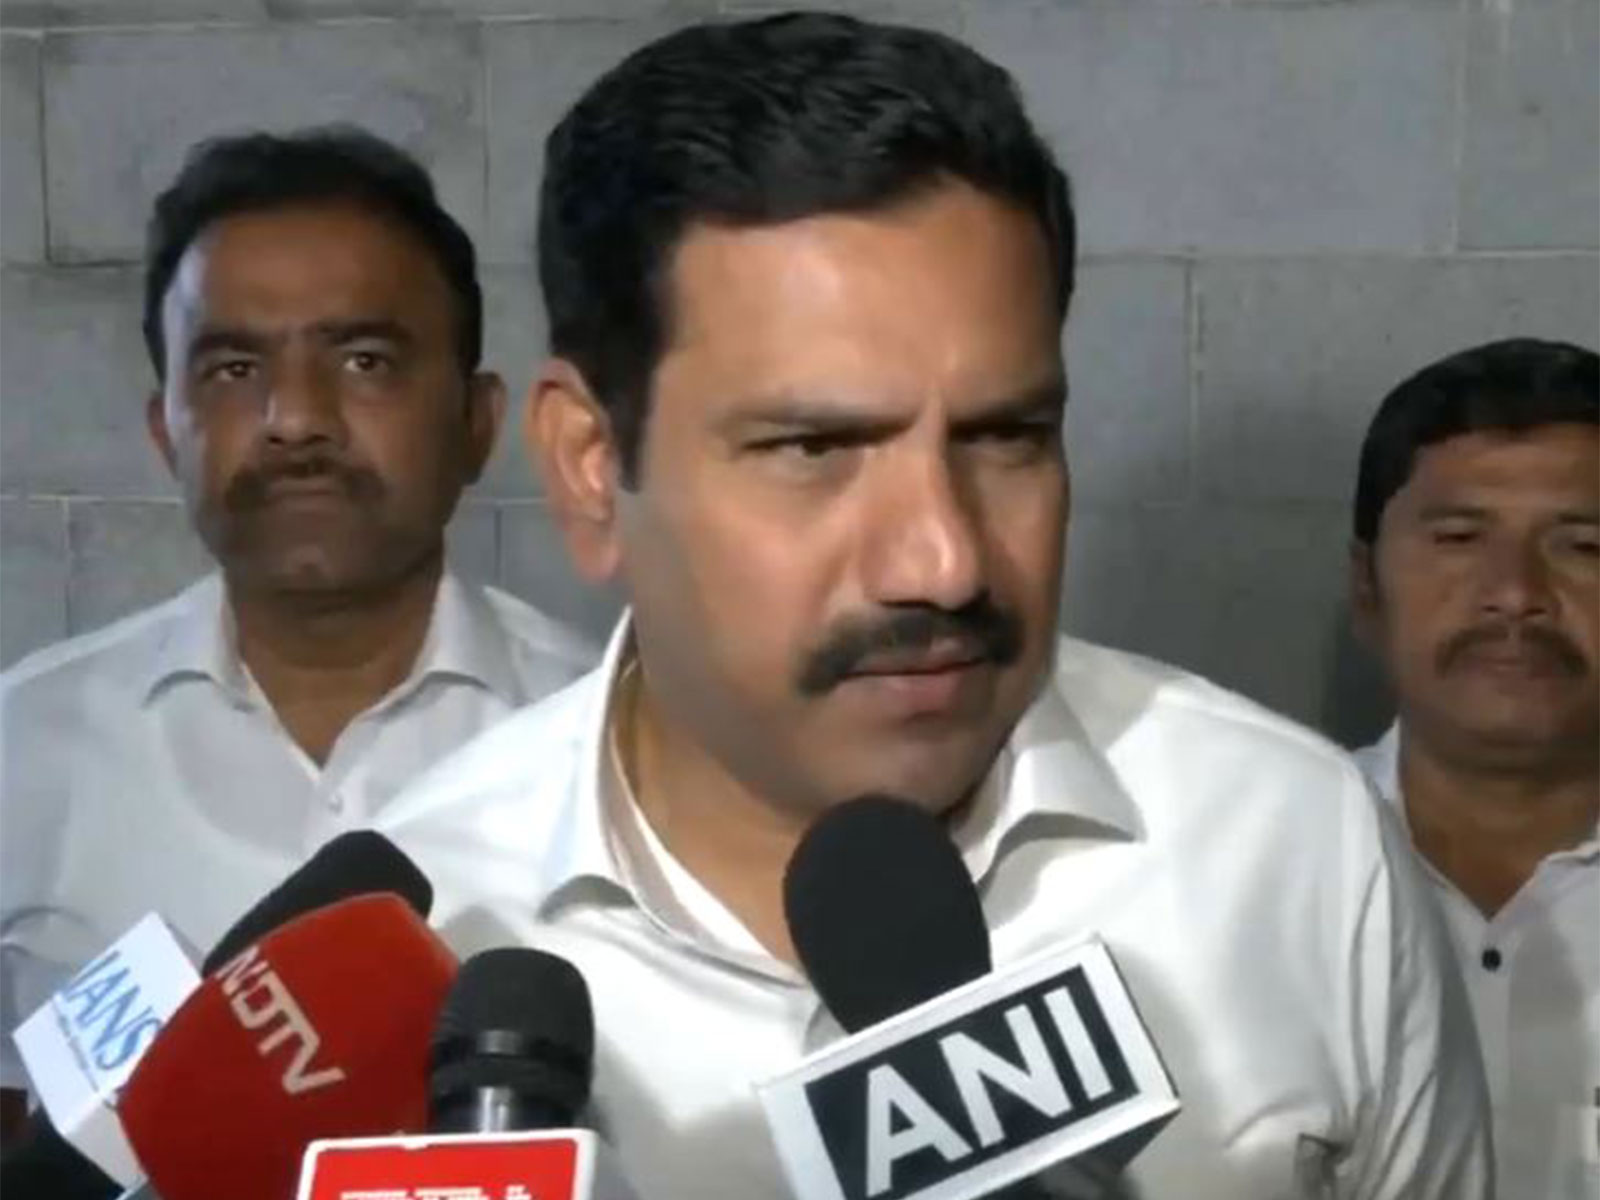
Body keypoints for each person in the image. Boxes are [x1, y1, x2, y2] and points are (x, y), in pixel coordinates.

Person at [386, 14, 1491, 1197]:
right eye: (815, 447)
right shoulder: (408, 944)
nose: (945, 562)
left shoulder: (1293, 846)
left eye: (1005, 436)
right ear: (591, 467)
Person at [0, 128, 596, 1115]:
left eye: (365, 360)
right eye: (234, 370)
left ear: (478, 422)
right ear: (166, 434)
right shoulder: (23, 747)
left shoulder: (611, 740)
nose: (295, 420)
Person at [1348, 338, 1598, 1199]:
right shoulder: (1260, 872)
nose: (1516, 595)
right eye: (1458, 538)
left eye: (1583, 546)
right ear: (1366, 588)